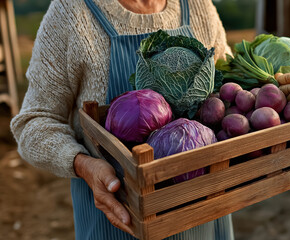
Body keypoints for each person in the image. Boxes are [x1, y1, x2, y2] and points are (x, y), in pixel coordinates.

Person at [10, 0, 234, 239]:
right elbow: (32, 122)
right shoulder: (72, 12)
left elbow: (227, 84)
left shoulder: (198, 5)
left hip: (204, 212)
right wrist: (83, 165)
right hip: (118, 217)